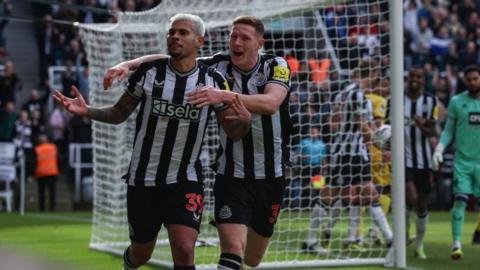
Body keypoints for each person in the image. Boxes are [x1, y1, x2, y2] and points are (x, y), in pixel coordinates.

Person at [54, 13, 251, 270]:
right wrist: (87, 111)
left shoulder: (213, 82)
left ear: (199, 41)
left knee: (183, 249)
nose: (175, 37)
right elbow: (118, 113)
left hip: (185, 179)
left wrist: (245, 120)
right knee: (141, 253)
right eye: (172, 32)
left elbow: (233, 131)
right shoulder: (149, 73)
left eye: (182, 33)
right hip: (143, 179)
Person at [103, 15, 291, 270]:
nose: (236, 42)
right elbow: (171, 59)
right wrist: (128, 64)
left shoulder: (276, 65)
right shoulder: (218, 67)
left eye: (244, 38)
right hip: (231, 174)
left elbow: (271, 104)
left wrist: (222, 95)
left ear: (259, 43)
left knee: (252, 259)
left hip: (271, 174)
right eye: (233, 36)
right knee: (233, 250)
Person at [302, 61, 392, 253]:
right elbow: (361, 124)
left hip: (339, 151)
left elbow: (332, 124)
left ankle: (311, 240)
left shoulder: (342, 93)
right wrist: (379, 141)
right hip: (353, 153)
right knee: (366, 194)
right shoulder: (358, 94)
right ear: (374, 75)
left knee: (337, 196)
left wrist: (372, 133)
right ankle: (390, 239)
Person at [432, 65, 480, 260]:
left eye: (476, 79)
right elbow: (449, 130)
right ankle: (456, 244)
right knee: (460, 201)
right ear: (464, 81)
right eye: (469, 79)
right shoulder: (456, 102)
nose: (473, 82)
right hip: (463, 161)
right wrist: (439, 149)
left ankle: (477, 231)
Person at [403, 67, 439, 259]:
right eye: (412, 77)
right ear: (407, 79)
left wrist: (422, 125)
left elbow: (432, 132)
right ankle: (404, 235)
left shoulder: (431, 101)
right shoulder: (397, 100)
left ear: (423, 80)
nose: (415, 80)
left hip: (424, 161)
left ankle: (419, 246)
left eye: (419, 77)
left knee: (422, 205)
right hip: (404, 160)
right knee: (413, 198)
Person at [33, 134, 59, 211]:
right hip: (52, 172)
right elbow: (58, 159)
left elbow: (34, 161)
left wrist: (33, 173)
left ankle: (42, 208)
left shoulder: (37, 149)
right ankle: (52, 207)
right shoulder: (53, 147)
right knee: (52, 191)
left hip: (41, 173)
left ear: (39, 141)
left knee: (41, 192)